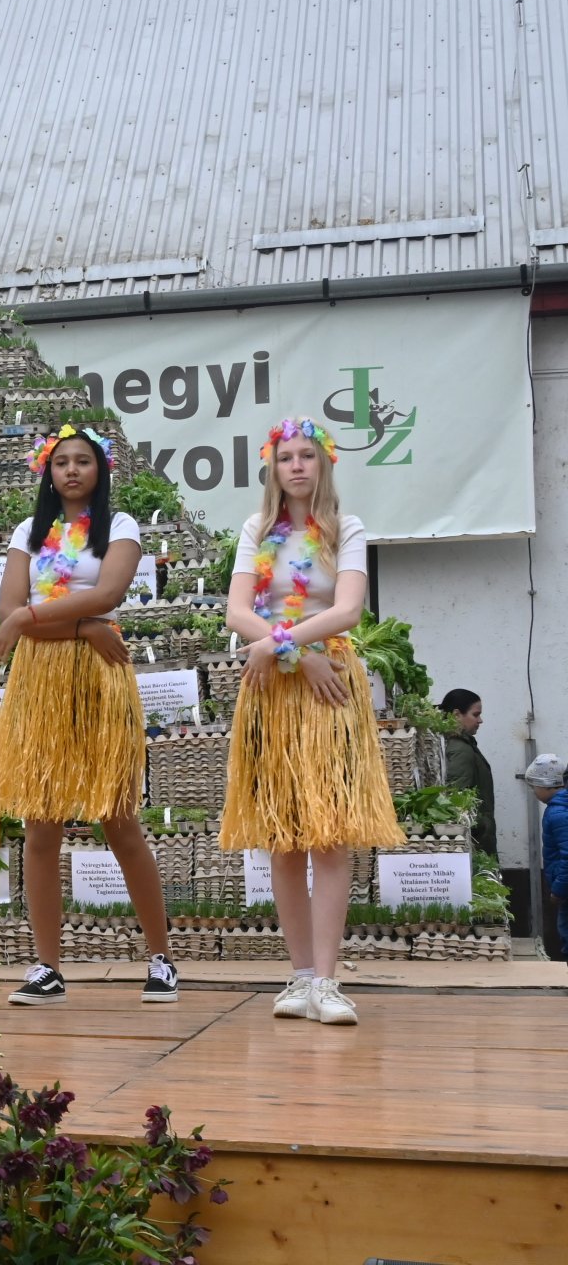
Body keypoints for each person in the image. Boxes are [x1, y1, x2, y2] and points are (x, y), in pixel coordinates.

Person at [222, 418, 400, 1026]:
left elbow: (348, 608)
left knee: (329, 835)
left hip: (328, 692)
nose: (296, 466)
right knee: (285, 835)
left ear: (324, 464)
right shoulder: (256, 530)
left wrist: (279, 643)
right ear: (272, 468)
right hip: (276, 686)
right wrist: (296, 651)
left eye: (307, 456)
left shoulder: (344, 529)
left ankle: (328, 979)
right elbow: (236, 611)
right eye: (285, 457)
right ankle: (298, 977)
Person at [0, 426, 178, 1005]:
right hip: (40, 678)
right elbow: (10, 607)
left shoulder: (119, 527)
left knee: (119, 820)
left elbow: (108, 593)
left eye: (83, 462)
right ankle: (47, 966)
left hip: (100, 681)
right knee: (40, 826)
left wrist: (44, 621)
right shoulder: (29, 532)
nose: (71, 471)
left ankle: (162, 958)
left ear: (100, 469)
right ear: (47, 473)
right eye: (61, 462)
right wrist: (78, 628)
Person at [439, 688, 497, 856]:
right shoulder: (460, 750)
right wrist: (482, 826)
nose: (480, 720)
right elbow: (457, 799)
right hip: (475, 838)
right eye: (475, 714)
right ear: (457, 714)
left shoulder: (463, 745)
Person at [526, 755, 568, 964]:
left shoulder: (558, 813)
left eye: (534, 786)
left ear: (547, 785)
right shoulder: (559, 809)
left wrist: (559, 890)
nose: (533, 792)